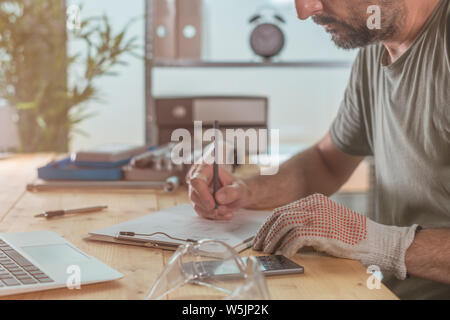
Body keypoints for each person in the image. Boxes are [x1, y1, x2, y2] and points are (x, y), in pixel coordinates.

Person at [187, 0, 450, 299]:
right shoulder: (374, 47)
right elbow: (326, 163)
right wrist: (243, 191)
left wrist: (377, 243)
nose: (305, 11)